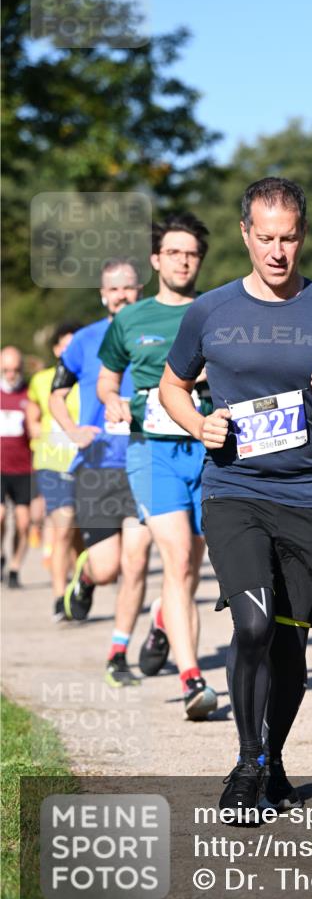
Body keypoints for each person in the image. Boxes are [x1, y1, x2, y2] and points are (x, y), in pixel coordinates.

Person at [159, 177, 312, 814]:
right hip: (233, 489)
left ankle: (273, 759)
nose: (277, 251)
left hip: (305, 495)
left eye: (288, 238)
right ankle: (247, 762)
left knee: (289, 644)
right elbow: (173, 386)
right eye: (265, 238)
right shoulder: (210, 311)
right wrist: (198, 424)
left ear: (302, 235)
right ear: (245, 234)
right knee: (252, 624)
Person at [97, 213, 216, 719]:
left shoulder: (217, 311)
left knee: (189, 569)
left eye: (191, 254)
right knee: (179, 558)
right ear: (156, 259)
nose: (182, 261)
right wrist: (112, 401)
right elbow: (107, 379)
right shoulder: (131, 319)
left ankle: (165, 618)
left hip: (208, 450)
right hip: (152, 451)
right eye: (173, 252)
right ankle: (193, 680)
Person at [50, 261, 152, 688]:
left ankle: (118, 653)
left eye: (129, 287)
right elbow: (57, 395)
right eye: (114, 288)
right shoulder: (84, 340)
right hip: (97, 466)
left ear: (140, 289)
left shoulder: (156, 333)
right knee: (108, 568)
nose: (121, 294)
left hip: (145, 460)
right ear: (102, 294)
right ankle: (87, 575)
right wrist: (72, 431)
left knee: (137, 561)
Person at [26, 322, 82, 615]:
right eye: (65, 345)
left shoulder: (91, 380)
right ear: (56, 349)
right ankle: (60, 598)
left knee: (78, 533)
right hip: (52, 462)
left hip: (86, 463)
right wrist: (33, 428)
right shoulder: (42, 379)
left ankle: (80, 585)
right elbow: (33, 411)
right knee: (64, 524)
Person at [0, 346, 32, 588]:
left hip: (24, 469)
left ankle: (14, 567)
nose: (11, 375)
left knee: (23, 524)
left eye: (16, 370)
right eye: (6, 370)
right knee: (0, 516)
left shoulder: (29, 394)